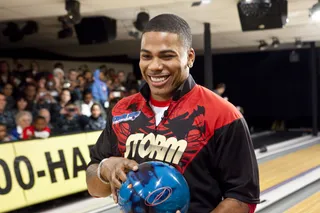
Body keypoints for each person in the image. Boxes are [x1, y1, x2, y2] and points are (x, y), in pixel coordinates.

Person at [86, 14, 260, 213]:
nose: (155, 66)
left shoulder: (223, 115)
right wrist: (105, 169)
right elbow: (94, 187)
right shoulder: (122, 111)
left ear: (190, 57)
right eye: (146, 56)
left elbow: (243, 198)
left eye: (167, 56)